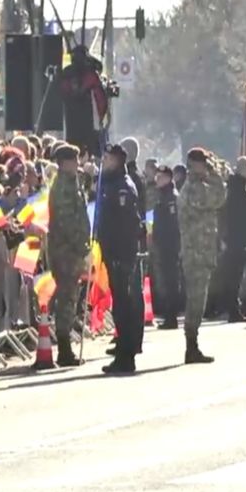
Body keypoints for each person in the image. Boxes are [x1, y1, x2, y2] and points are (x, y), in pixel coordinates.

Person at [97, 144, 144, 374]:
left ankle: (126, 356)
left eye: (107, 158)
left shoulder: (123, 187)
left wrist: (119, 254)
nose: (104, 161)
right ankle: (124, 352)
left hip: (121, 254)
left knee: (124, 307)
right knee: (121, 305)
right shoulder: (109, 184)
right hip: (112, 252)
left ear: (117, 161)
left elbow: (126, 226)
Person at [178, 148, 226, 363]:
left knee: (199, 300)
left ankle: (193, 345)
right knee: (196, 301)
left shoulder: (197, 186)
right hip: (195, 253)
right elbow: (218, 198)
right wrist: (214, 174)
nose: (206, 167)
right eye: (203, 164)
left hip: (201, 250)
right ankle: (191, 346)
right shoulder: (194, 189)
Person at [46, 144, 90, 367]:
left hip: (72, 249)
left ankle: (66, 347)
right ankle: (64, 350)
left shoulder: (74, 183)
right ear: (64, 163)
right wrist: (81, 246)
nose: (77, 164)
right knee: (66, 298)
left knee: (71, 298)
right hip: (65, 251)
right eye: (73, 160)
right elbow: (66, 221)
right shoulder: (63, 186)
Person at [221, 157, 246, 323]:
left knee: (236, 276)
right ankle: (233, 310)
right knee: (234, 277)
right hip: (237, 239)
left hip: (236, 239)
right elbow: (236, 217)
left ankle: (235, 308)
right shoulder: (236, 190)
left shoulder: (238, 187)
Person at [152, 165, 181, 330]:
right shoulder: (162, 196)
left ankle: (172, 316)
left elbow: (172, 224)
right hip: (163, 244)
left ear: (169, 179)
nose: (158, 180)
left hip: (170, 244)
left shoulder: (171, 197)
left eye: (161, 177)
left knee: (171, 280)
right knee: (166, 279)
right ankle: (169, 314)